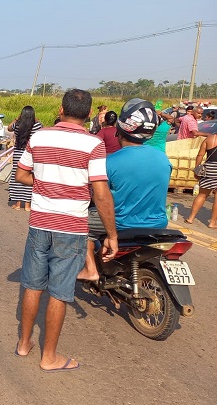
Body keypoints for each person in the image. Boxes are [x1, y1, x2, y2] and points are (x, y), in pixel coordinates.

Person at [14, 89, 117, 372]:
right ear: (88, 115)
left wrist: (46, 179)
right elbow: (101, 191)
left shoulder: (40, 136)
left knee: (33, 284)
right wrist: (112, 234)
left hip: (40, 223)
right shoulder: (93, 144)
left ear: (61, 109)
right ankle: (49, 357)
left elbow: (22, 174)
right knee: (59, 291)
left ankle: (24, 344)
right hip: (71, 227)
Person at [78, 99, 170, 281]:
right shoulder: (163, 159)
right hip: (158, 223)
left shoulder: (109, 162)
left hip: (122, 223)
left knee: (81, 228)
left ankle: (91, 270)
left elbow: (98, 196)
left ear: (119, 131)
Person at [7, 106, 42, 211]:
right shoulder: (36, 126)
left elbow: (9, 128)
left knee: (17, 177)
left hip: (18, 153)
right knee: (28, 177)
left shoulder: (17, 125)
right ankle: (27, 205)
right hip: (30, 154)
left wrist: (17, 119)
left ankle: (17, 204)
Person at [184, 129, 217, 228]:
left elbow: (200, 155)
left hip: (209, 168)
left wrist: (197, 168)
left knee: (202, 195)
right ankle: (212, 222)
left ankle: (191, 218)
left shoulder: (209, 139)